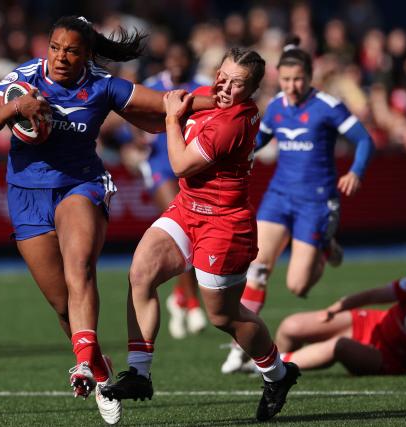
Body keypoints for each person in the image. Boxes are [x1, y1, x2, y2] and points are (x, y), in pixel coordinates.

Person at [0, 15, 215, 425]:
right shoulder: (24, 78)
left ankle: (81, 365)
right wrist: (18, 106)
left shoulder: (103, 84)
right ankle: (98, 368)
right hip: (26, 194)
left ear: (86, 55)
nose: (60, 57)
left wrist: (227, 99)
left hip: (80, 185)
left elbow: (166, 103)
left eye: (70, 50)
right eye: (54, 47)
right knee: (62, 305)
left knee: (80, 266)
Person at [100, 47, 300, 423]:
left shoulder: (235, 121)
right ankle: (139, 374)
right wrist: (120, 103)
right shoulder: (212, 95)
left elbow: (179, 162)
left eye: (237, 83)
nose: (225, 85)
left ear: (252, 90)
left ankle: (277, 374)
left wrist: (173, 118)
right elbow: (164, 115)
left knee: (224, 317)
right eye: (222, 74)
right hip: (188, 209)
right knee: (140, 273)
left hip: (225, 225)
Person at [222, 36, 375, 374]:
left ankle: (324, 245)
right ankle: (239, 348)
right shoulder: (276, 106)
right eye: (287, 79)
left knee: (297, 286)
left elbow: (364, 140)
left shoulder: (328, 106)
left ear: (310, 77)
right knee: (258, 267)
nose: (292, 86)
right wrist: (243, 153)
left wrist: (356, 172)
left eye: (298, 80)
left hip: (316, 201)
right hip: (279, 197)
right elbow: (261, 138)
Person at [124, 42, 209, 340]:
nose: (176, 63)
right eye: (172, 57)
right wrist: (137, 138)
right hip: (159, 163)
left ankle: (179, 297)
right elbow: (129, 112)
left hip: (188, 164)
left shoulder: (200, 88)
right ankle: (195, 304)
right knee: (183, 226)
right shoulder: (151, 86)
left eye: (181, 57)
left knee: (194, 235)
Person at [276, 277, 406, 375]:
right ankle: (273, 376)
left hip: (389, 356)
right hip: (370, 322)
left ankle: (269, 365)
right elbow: (372, 296)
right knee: (291, 327)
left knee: (339, 346)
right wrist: (334, 309)